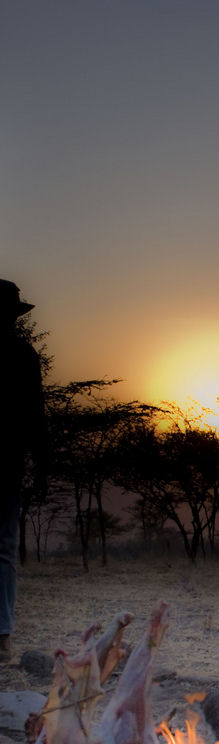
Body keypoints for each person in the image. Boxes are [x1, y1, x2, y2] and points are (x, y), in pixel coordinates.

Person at [0, 279, 48, 660]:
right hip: (8, 462)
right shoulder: (24, 355)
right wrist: (43, 465)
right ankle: (2, 635)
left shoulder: (24, 355)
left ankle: (1, 635)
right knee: (4, 549)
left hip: (8, 463)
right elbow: (36, 417)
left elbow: (35, 415)